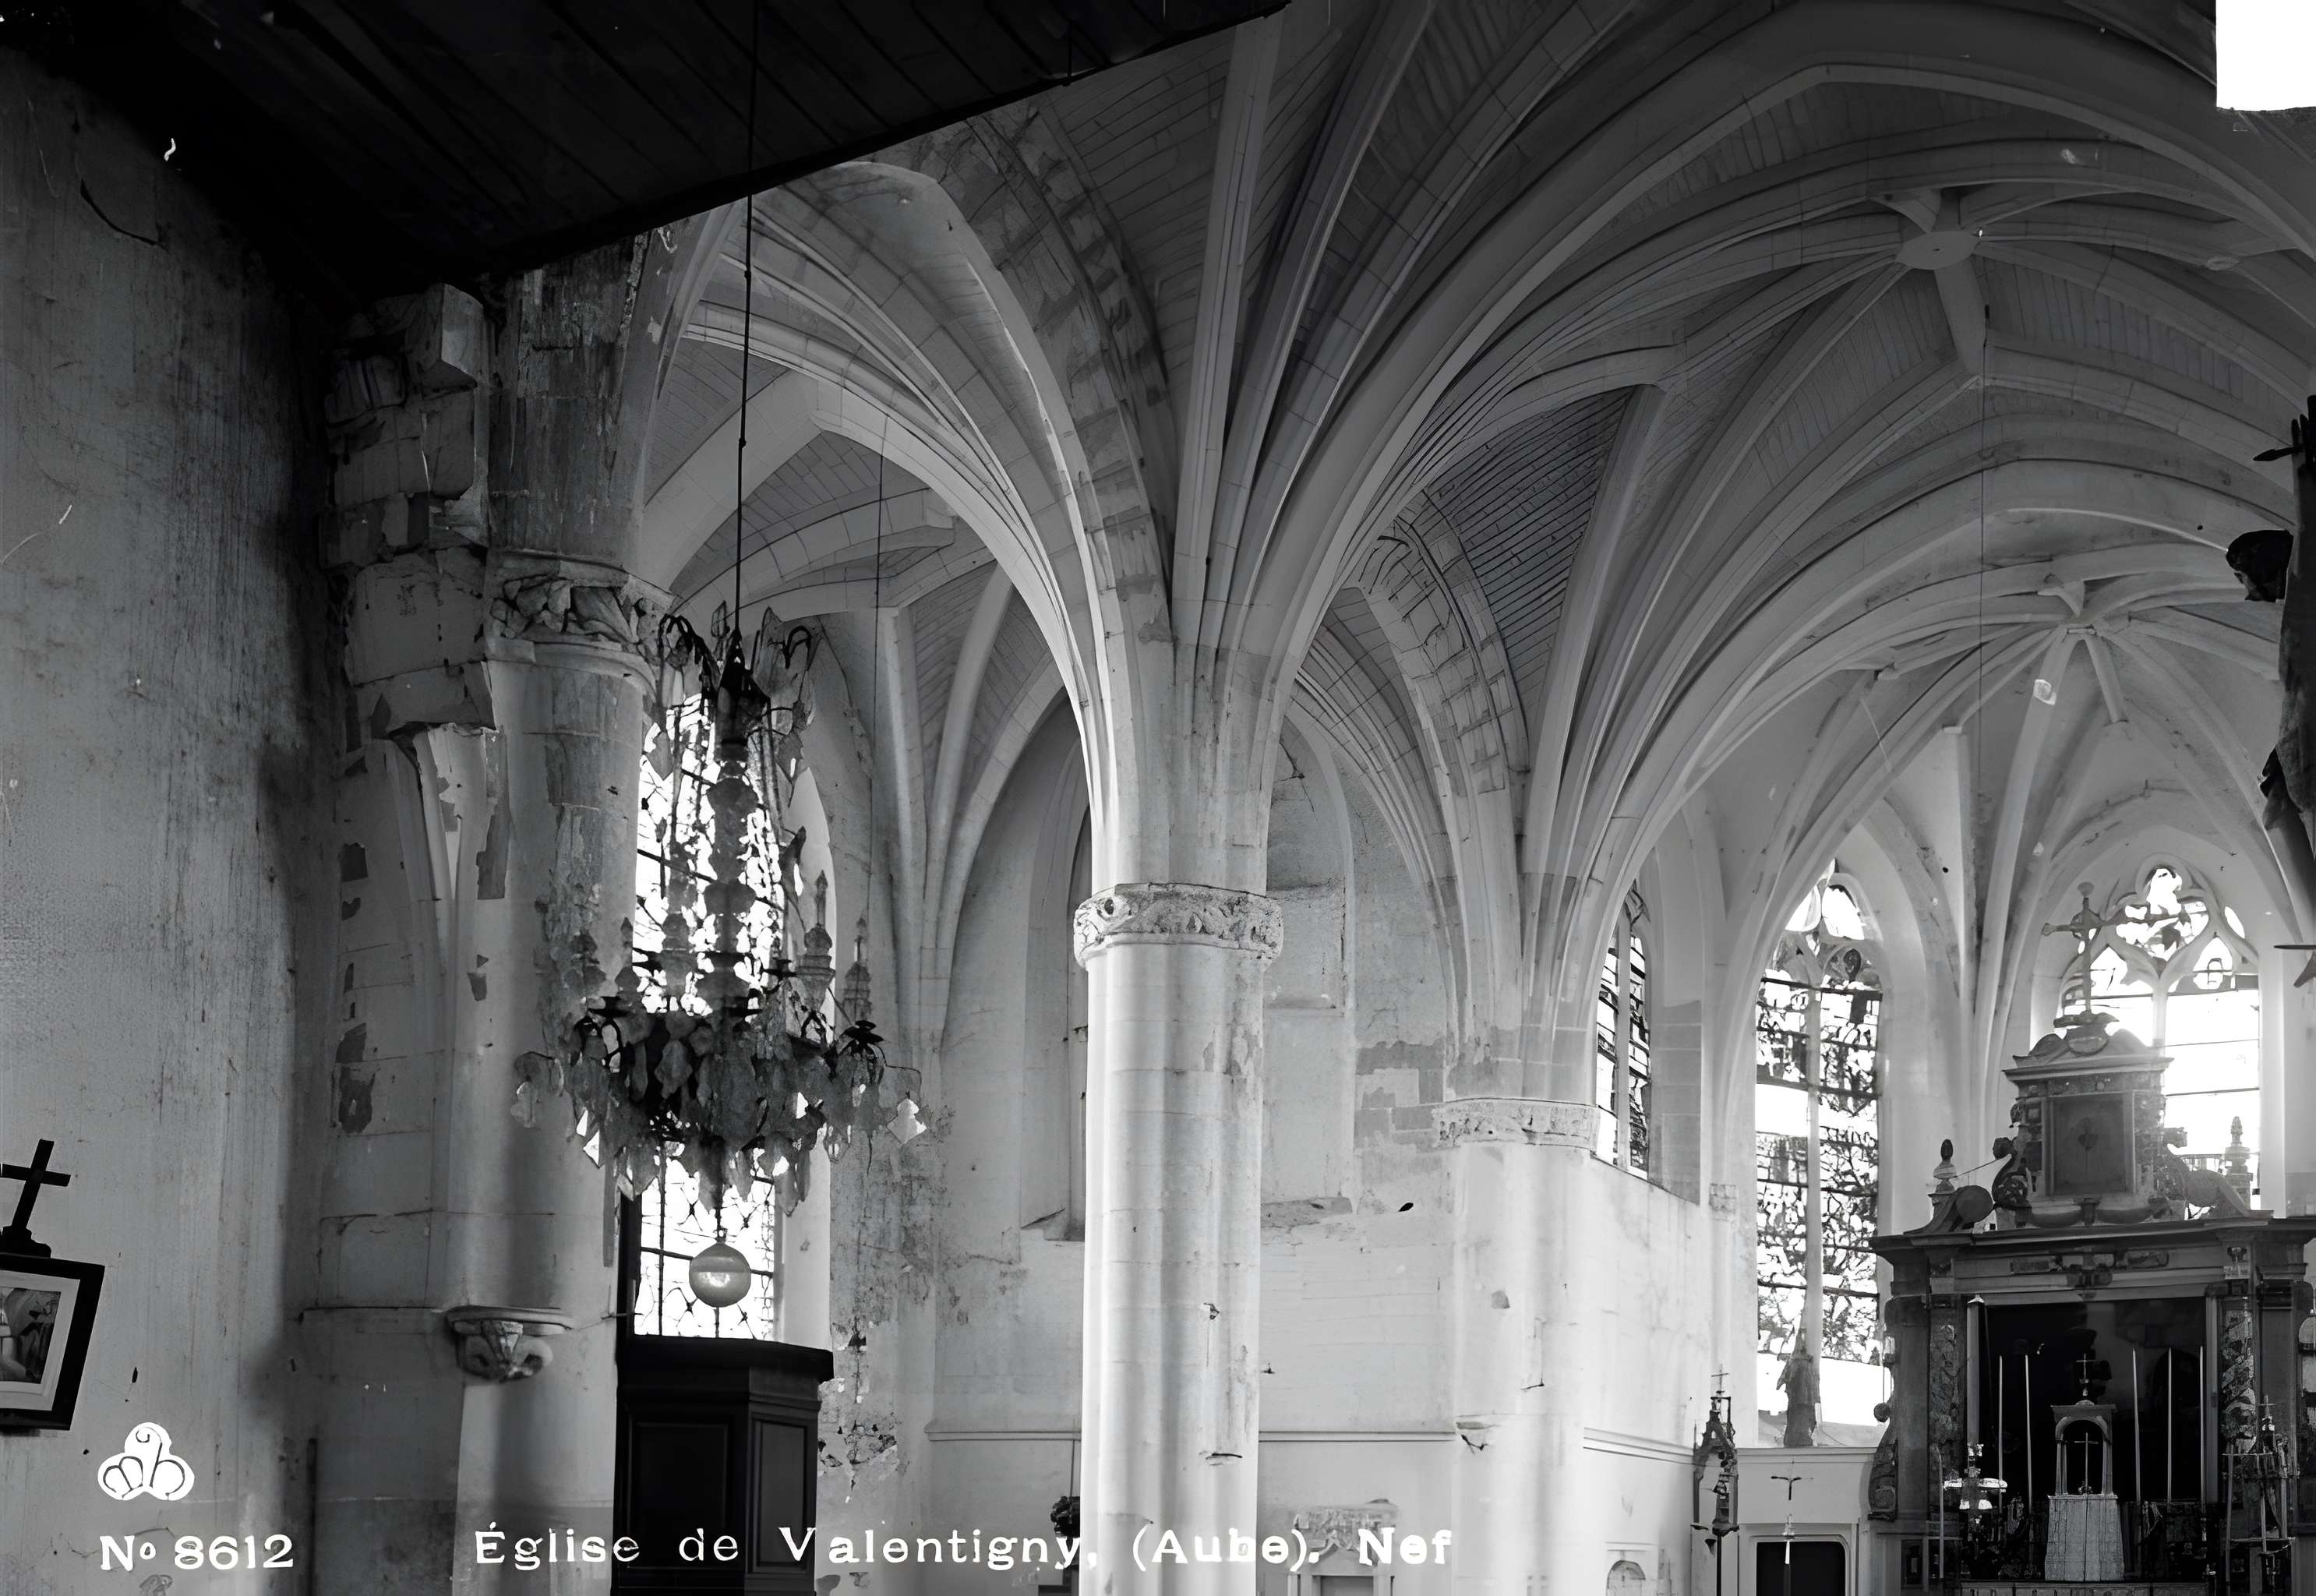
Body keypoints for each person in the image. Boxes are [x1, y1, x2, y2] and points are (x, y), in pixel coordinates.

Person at [2232, 397, 2316, 986]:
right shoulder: (2297, 603)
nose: (2245, 594)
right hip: (2302, 723)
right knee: (2276, 806)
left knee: (2278, 806)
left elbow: (2309, 542)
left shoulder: (2303, 585)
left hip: (2309, 723)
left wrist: (2306, 477)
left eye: (2244, 578)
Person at [1778, 1339, 1819, 1448]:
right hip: (1807, 1400)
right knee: (1804, 1420)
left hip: (1798, 1399)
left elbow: (1786, 1377)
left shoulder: (1795, 1362)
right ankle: (1801, 1439)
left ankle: (1795, 1439)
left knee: (1796, 1420)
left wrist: (1782, 1383)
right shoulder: (1811, 1364)